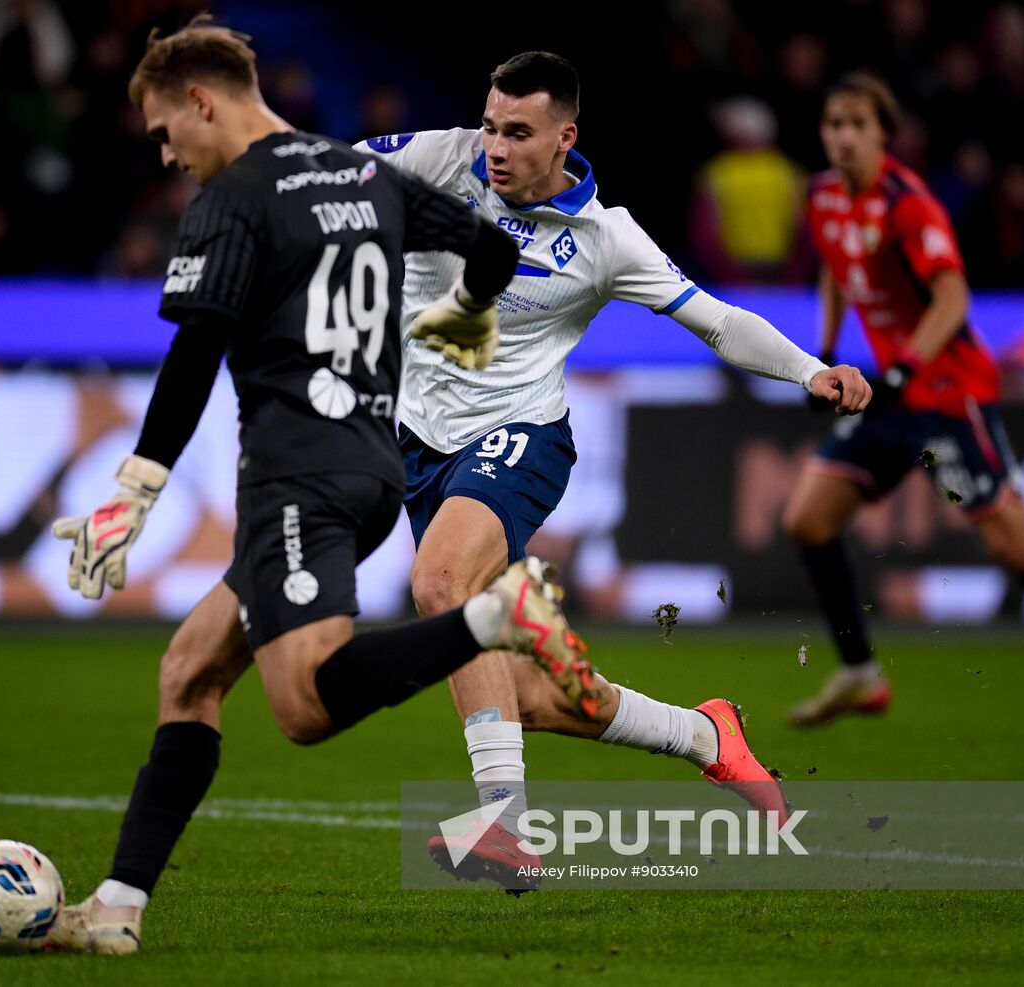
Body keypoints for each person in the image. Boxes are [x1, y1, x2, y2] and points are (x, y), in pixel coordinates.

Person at [46, 21, 595, 954]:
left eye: (164, 131)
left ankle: (496, 621)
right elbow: (496, 255)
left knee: (301, 707)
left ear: (201, 100)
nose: (168, 153)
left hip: (296, 471)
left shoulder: (239, 196)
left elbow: (194, 352)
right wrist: (464, 319)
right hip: (374, 463)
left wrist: (133, 492)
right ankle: (117, 909)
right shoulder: (366, 178)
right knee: (190, 670)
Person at [353, 52, 871, 885]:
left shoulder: (605, 238)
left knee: (439, 582)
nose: (495, 145)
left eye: (518, 132)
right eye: (490, 124)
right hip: (420, 445)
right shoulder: (439, 158)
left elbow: (716, 320)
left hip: (521, 438)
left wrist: (811, 371)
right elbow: (325, 176)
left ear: (565, 137)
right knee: (531, 696)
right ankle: (706, 735)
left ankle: (504, 823)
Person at [783, 71, 1024, 726]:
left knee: (1013, 550)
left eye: (857, 124)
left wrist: (902, 365)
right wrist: (821, 351)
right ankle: (860, 673)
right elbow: (834, 268)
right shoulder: (821, 197)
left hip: (950, 392)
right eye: (833, 124)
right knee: (807, 519)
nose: (842, 136)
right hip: (896, 395)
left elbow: (953, 297)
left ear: (883, 135)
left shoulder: (909, 202)